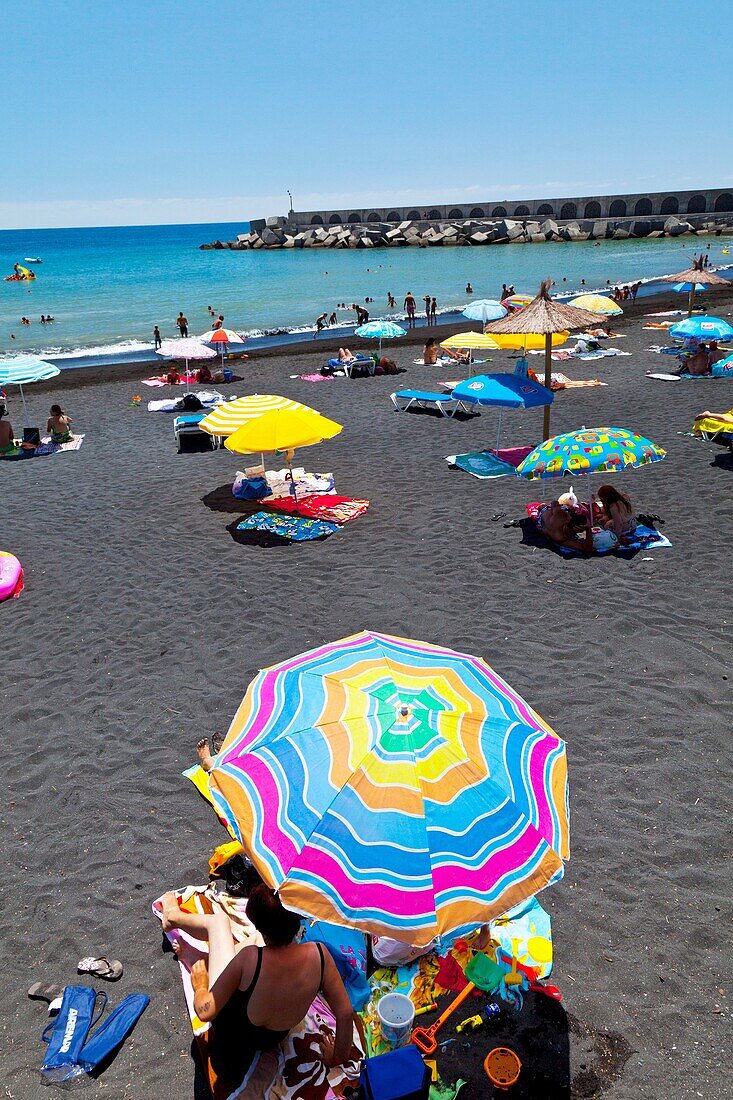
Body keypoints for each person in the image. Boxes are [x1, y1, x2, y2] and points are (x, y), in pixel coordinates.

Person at [160, 884, 356, 1074]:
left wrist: (201, 985)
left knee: (219, 923)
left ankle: (172, 918)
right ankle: (208, 959)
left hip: (233, 1035)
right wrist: (337, 1057)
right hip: (271, 1038)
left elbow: (205, 1011)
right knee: (256, 944)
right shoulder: (320, 955)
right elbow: (345, 1013)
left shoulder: (251, 959)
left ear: (257, 923)